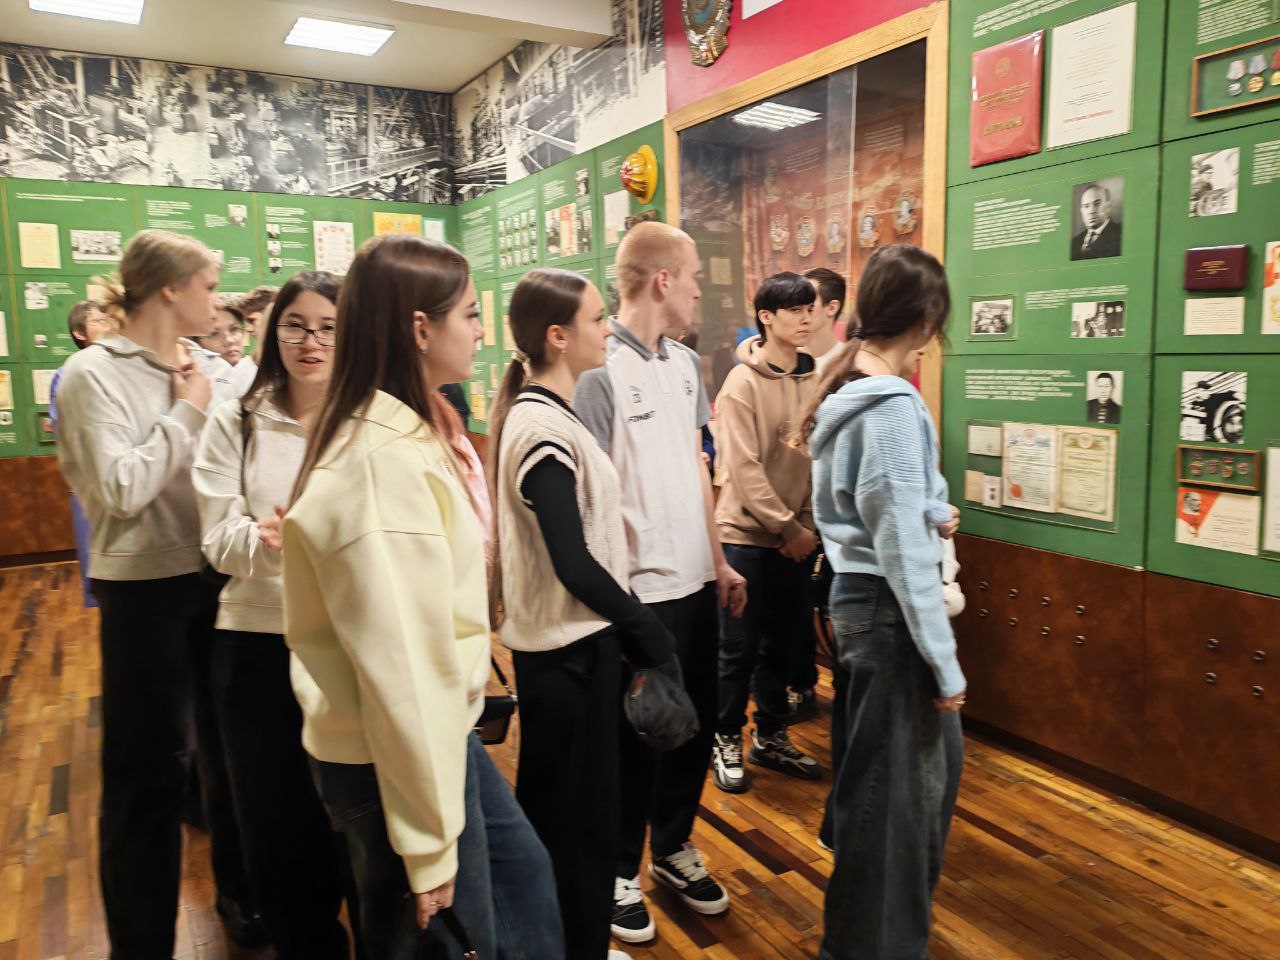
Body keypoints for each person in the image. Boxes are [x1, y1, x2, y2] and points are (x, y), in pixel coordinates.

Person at [283, 234, 562, 959]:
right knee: (442, 935)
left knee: (522, 882)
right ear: (419, 328)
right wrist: (429, 846)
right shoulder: (381, 465)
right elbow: (401, 672)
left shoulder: (402, 436)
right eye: (468, 314)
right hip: (395, 754)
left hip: (433, 738)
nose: (480, 331)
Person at [54, 230, 260, 957]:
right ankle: (140, 943)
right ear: (170, 289)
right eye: (209, 285)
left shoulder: (202, 365)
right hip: (142, 593)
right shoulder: (93, 374)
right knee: (147, 776)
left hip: (215, 580)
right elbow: (120, 490)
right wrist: (188, 411)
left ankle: (243, 900)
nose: (218, 301)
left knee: (227, 759)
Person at [491, 268, 676, 960]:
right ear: (558, 336)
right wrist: (645, 629)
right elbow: (572, 561)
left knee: (578, 820)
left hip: (577, 651)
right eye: (597, 319)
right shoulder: (539, 425)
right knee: (573, 827)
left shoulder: (549, 415)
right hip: (565, 658)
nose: (606, 329)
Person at [574, 222, 747, 946]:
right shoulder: (597, 372)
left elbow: (699, 468)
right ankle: (619, 870)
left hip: (697, 580)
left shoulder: (684, 365)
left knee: (692, 727)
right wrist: (615, 604)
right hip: (639, 593)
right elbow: (591, 497)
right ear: (662, 280)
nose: (700, 290)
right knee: (635, 737)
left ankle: (673, 847)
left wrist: (720, 561)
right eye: (694, 277)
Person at [796, 243, 964, 960]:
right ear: (924, 317)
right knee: (895, 811)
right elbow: (899, 550)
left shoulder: (848, 386)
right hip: (889, 612)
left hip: (861, 603)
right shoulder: (889, 406)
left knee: (885, 791)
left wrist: (930, 509)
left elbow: (872, 508)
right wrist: (946, 666)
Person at [192, 271, 350, 959]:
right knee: (277, 826)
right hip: (258, 643)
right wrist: (266, 539)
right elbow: (216, 538)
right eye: (296, 325)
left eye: (328, 328)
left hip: (347, 643)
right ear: (272, 331)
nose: (311, 342)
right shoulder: (237, 418)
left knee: (352, 817)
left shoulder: (366, 421)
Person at [711, 273, 822, 795]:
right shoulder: (742, 383)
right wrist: (787, 527)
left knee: (784, 645)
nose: (805, 318)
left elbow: (816, 459)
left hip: (795, 538)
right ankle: (725, 737)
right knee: (738, 649)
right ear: (766, 317)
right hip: (745, 538)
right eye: (794, 310)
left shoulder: (814, 378)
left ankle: (771, 735)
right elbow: (743, 468)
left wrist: (807, 527)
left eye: (810, 309)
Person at [48, 300, 111, 608]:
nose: (108, 326)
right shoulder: (68, 374)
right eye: (99, 321)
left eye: (108, 319)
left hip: (125, 481)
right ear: (79, 332)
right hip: (91, 485)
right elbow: (66, 431)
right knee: (98, 573)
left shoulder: (122, 369)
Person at [802, 267, 846, 374]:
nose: (799, 311)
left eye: (809, 304)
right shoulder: (785, 360)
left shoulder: (849, 363)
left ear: (832, 308)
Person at [1071, 184, 1122, 260]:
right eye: (1086, 206)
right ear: (1081, 211)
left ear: (1108, 207)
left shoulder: (1121, 235)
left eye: (1097, 204)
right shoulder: (1074, 242)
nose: (1091, 211)